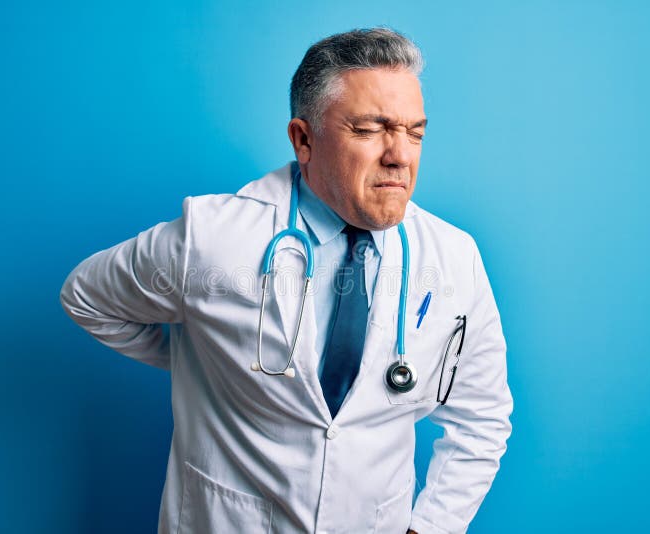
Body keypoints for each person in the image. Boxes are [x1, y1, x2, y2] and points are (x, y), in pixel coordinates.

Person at [60, 28, 513, 534]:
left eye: (415, 132)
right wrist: (201, 360)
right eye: (370, 130)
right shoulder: (212, 239)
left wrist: (429, 528)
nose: (400, 155)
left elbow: (483, 418)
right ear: (303, 139)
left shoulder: (454, 257)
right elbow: (85, 297)